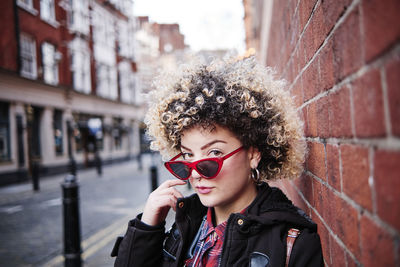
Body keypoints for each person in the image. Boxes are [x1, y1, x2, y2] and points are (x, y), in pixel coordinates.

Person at [112, 57, 323, 266]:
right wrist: (147, 228)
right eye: (187, 155)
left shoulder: (294, 244)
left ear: (253, 155)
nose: (195, 173)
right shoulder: (186, 224)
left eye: (214, 152)